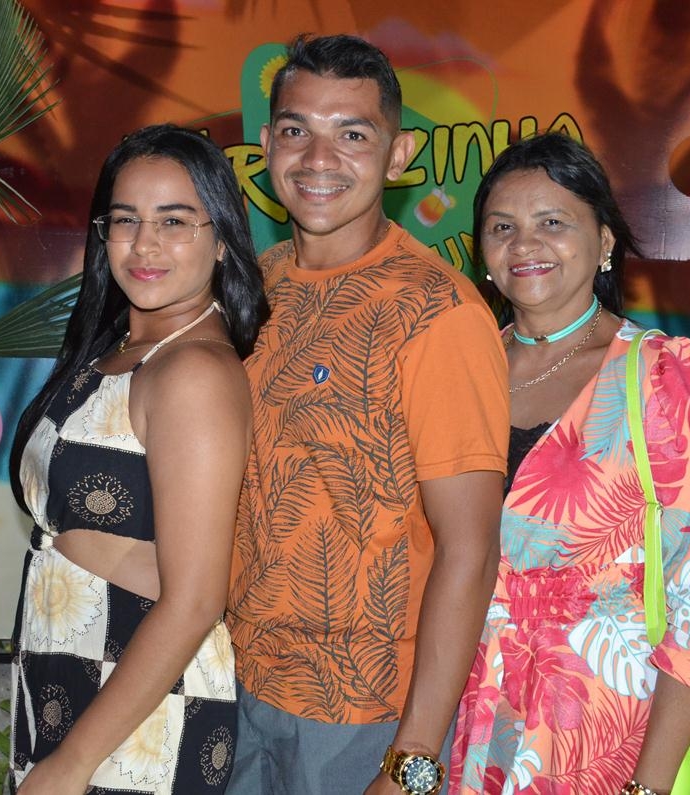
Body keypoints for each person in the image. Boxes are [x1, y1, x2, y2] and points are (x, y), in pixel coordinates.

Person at [225, 34, 510, 795]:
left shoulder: (438, 312)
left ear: (397, 155)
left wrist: (411, 761)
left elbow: (471, 547)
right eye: (297, 130)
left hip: (364, 715)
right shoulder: (253, 289)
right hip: (236, 678)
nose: (318, 158)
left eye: (352, 134)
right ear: (266, 145)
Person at [450, 132, 690, 794]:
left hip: (601, 734)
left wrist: (648, 787)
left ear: (605, 241)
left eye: (552, 222)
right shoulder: (463, 371)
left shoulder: (657, 375)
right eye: (502, 227)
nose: (524, 244)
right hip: (465, 724)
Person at [6, 124, 269, 795]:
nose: (145, 244)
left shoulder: (193, 372)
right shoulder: (116, 349)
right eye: (125, 220)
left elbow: (196, 599)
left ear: (221, 238)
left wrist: (71, 764)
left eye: (174, 221)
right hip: (72, 676)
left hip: (141, 709)